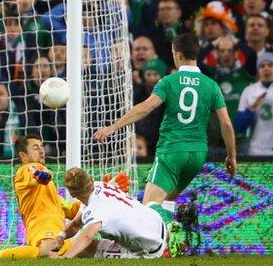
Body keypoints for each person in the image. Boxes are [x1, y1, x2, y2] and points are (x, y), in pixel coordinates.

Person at [94, 33, 237, 220]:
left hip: (172, 150)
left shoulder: (169, 82)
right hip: (198, 153)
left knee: (149, 208)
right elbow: (226, 123)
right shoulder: (211, 86)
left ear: (177, 54)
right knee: (167, 200)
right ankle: (173, 240)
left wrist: (113, 127)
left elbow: (146, 107)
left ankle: (160, 243)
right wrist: (232, 155)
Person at [0, 135, 130, 259]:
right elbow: (33, 172)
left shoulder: (48, 189)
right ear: (23, 155)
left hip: (58, 230)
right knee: (49, 251)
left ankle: (131, 251)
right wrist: (39, 174)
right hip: (42, 226)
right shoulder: (25, 171)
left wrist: (101, 195)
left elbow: (70, 209)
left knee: (89, 249)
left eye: (42, 146)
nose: (41, 151)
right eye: (35, 148)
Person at [61, 167, 168, 259]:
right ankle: (171, 230)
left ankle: (167, 250)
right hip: (158, 222)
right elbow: (75, 224)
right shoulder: (100, 185)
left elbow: (86, 237)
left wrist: (66, 258)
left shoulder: (95, 210)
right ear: (91, 180)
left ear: (72, 194)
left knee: (84, 249)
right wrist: (60, 237)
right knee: (151, 204)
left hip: (153, 249)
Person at [235, 52, 273, 156]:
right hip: (257, 150)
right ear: (258, 70)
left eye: (270, 65)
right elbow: (239, 127)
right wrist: (250, 109)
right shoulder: (249, 91)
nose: (266, 68)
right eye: (262, 66)